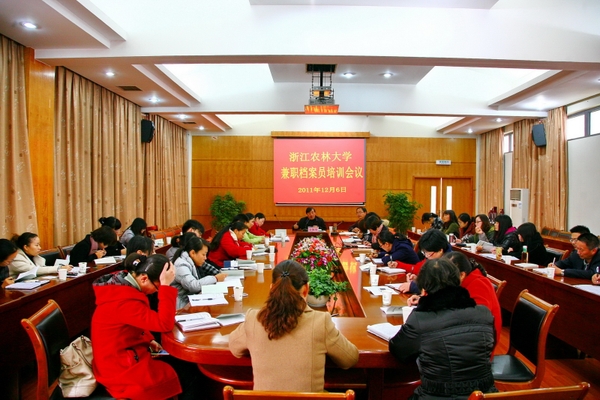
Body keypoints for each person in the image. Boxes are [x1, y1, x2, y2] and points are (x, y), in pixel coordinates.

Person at [229, 260, 359, 392]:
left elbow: (234, 348)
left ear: (271, 288)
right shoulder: (320, 322)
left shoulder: (254, 319)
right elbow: (350, 358)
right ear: (306, 289)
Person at [389, 258, 497, 399]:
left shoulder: (420, 319)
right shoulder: (484, 313)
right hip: (486, 395)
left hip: (438, 395)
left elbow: (399, 352)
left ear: (424, 289)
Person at [91, 253, 182, 400]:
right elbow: (164, 324)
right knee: (174, 371)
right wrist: (166, 287)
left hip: (122, 353)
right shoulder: (123, 300)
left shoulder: (123, 287)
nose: (156, 292)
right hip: (117, 365)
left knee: (175, 365)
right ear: (144, 278)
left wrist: (149, 339)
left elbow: (134, 323)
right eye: (157, 288)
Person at [443, 252, 501, 350]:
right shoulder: (461, 282)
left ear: (462, 275)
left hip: (479, 347)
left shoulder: (479, 285)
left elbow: (474, 323)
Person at [171, 234, 226, 309]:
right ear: (193, 253)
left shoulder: (193, 261)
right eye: (203, 254)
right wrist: (215, 278)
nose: (205, 258)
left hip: (191, 302)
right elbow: (193, 286)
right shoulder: (181, 265)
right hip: (182, 307)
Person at [397, 229, 451, 294]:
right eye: (424, 253)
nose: (427, 257)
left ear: (440, 250)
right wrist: (419, 279)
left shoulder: (451, 263)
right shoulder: (434, 257)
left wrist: (413, 286)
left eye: (429, 254)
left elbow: (439, 287)